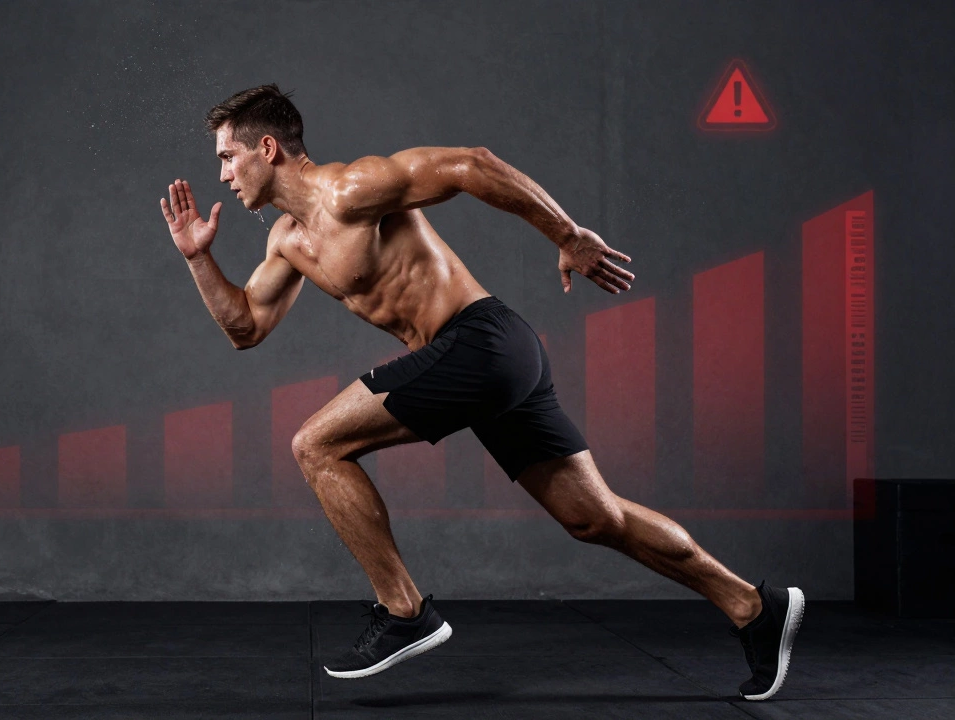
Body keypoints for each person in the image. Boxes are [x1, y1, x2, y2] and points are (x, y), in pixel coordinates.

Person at [159, 84, 803, 700]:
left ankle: (404, 611)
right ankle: (753, 606)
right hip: (481, 364)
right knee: (593, 518)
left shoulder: (350, 189)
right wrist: (196, 259)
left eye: (227, 156)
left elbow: (471, 164)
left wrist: (567, 235)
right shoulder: (288, 242)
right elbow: (245, 326)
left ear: (267, 149)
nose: (221, 174)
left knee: (316, 446)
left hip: (483, 342)